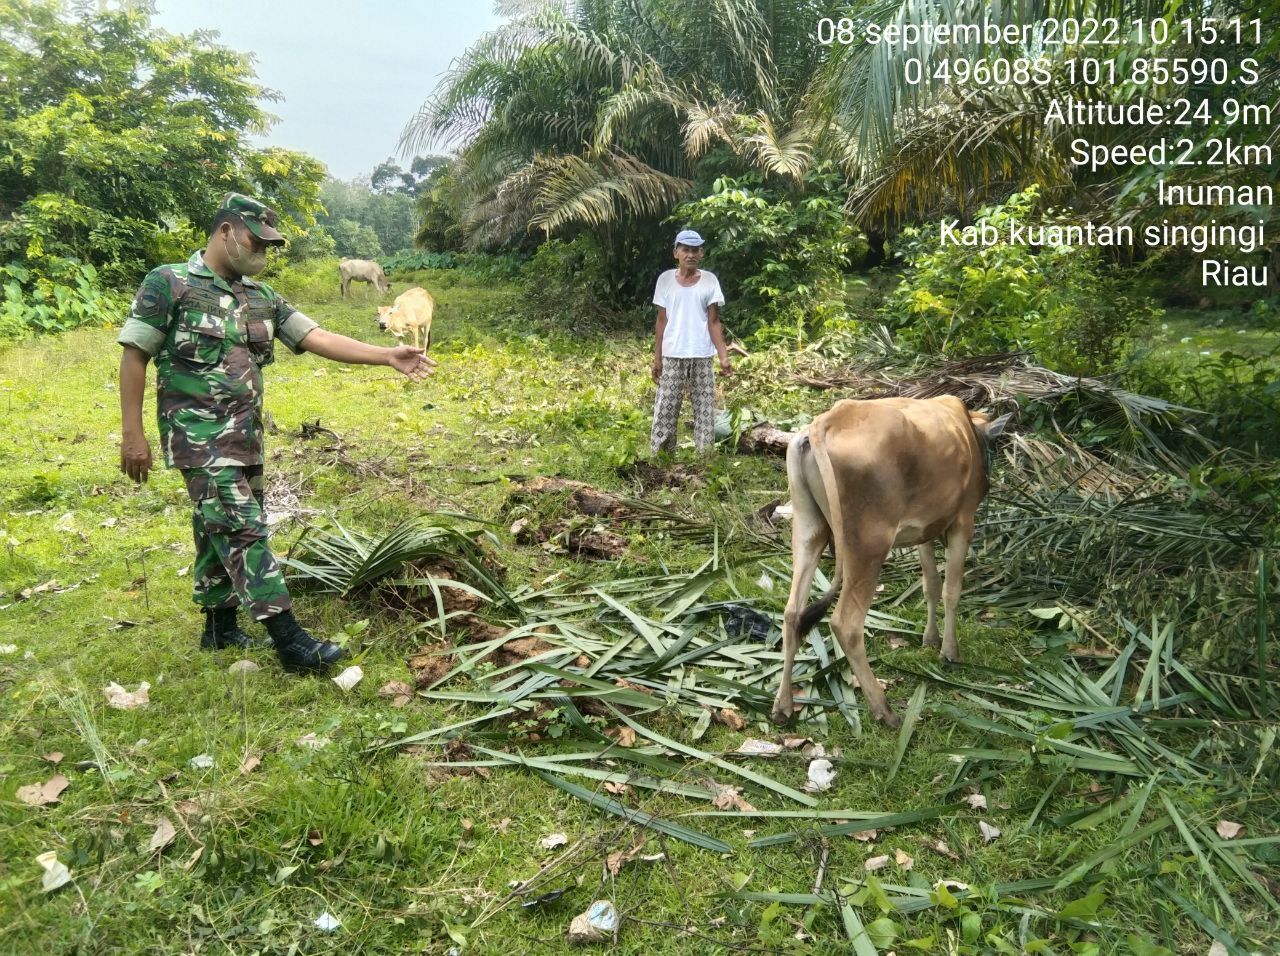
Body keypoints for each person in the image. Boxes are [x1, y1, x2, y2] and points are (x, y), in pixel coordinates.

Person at [116, 193, 434, 671]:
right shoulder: (170, 283)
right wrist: (132, 434)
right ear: (226, 231)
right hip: (197, 437)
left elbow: (317, 337)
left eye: (269, 245)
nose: (263, 252)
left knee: (217, 527)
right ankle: (291, 642)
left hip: (246, 438)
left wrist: (386, 354)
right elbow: (135, 354)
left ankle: (220, 630)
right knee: (242, 529)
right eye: (256, 241)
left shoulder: (261, 297)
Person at [650, 229, 731, 455]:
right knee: (666, 408)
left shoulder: (709, 281)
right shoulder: (665, 280)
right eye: (685, 250)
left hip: (701, 354)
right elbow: (662, 321)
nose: (691, 255)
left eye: (695, 250)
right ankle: (662, 456)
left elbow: (713, 322)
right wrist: (657, 358)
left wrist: (723, 357)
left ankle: (704, 457)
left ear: (701, 253)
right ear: (676, 253)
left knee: (704, 409)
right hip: (672, 354)